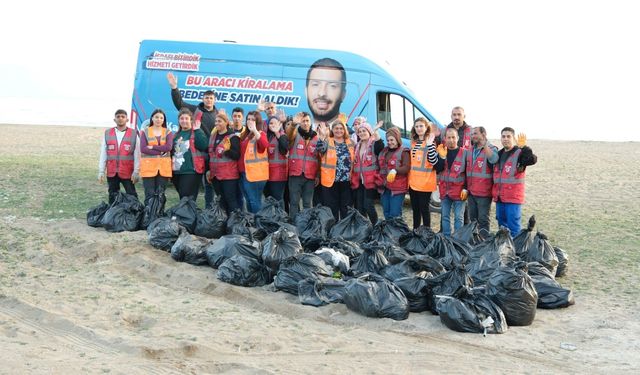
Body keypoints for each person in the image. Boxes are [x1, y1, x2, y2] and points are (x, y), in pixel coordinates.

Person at [167, 72, 218, 208]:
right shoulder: (196, 110)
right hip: (199, 154)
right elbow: (180, 103)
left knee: (211, 184)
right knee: (200, 186)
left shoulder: (219, 115)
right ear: (203, 98)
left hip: (213, 154)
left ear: (215, 100)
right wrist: (174, 88)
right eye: (206, 98)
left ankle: (210, 210)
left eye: (211, 98)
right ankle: (193, 211)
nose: (208, 100)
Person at [493, 127, 537, 236]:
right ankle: (504, 249)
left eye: (509, 136)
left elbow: (532, 160)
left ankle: (516, 250)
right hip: (500, 197)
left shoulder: (519, 153)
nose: (506, 139)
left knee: (513, 227)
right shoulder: (498, 154)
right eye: (503, 136)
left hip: (513, 198)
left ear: (513, 138)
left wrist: (524, 148)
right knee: (502, 226)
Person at [98, 109, 140, 204]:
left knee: (132, 195)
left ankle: (135, 215)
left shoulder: (133, 134)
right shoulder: (108, 133)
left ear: (127, 119)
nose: (120, 118)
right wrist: (101, 171)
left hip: (127, 172)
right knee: (112, 195)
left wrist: (136, 171)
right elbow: (103, 153)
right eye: (118, 117)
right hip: (112, 171)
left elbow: (137, 154)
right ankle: (113, 216)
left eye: (123, 117)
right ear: (114, 119)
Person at [408, 117, 442, 229]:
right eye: (416, 126)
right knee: (415, 210)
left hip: (425, 183)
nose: (419, 128)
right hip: (413, 183)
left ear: (426, 127)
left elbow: (434, 161)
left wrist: (429, 145)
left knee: (424, 210)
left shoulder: (430, 142)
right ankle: (415, 231)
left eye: (421, 126)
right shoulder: (413, 142)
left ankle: (427, 232)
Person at [317, 121, 354, 221]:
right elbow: (320, 149)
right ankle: (333, 229)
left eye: (341, 128)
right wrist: (321, 137)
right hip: (330, 181)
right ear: (332, 130)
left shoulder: (350, 142)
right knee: (332, 207)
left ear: (344, 130)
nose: (339, 130)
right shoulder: (327, 140)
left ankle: (343, 229)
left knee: (345, 207)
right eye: (336, 128)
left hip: (346, 181)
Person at [465, 126, 499, 237]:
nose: (473, 136)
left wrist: (485, 146)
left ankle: (483, 242)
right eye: (472, 134)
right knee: (473, 220)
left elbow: (494, 159)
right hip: (471, 192)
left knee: (483, 220)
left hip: (484, 193)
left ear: (483, 134)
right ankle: (474, 242)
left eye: (475, 134)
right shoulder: (470, 150)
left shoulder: (491, 148)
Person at [286, 111, 319, 219]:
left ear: (311, 122)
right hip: (295, 175)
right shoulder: (295, 134)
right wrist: (294, 124)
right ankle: (294, 225)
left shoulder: (316, 138)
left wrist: (318, 175)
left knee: (307, 204)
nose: (305, 123)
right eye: (303, 121)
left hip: (310, 176)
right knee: (294, 202)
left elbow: (319, 158)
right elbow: (288, 135)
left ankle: (306, 225)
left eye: (307, 121)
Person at [171, 108, 208, 202]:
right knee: (182, 197)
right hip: (177, 171)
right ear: (179, 120)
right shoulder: (175, 135)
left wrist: (197, 130)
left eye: (186, 118)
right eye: (181, 118)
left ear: (191, 120)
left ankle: (189, 215)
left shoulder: (195, 132)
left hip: (191, 171)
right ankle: (186, 215)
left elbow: (204, 145)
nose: (184, 121)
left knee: (186, 196)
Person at [139, 109, 174, 210]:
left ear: (164, 120)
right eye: (157, 117)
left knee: (160, 194)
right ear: (152, 118)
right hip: (148, 168)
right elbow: (143, 149)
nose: (159, 119)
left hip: (163, 169)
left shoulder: (168, 132)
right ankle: (148, 216)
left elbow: (168, 148)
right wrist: (160, 152)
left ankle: (159, 215)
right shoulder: (145, 131)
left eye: (161, 118)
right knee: (149, 194)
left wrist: (153, 147)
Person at [208, 112, 241, 215]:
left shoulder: (232, 137)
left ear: (226, 122)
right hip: (215, 175)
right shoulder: (213, 136)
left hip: (229, 175)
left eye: (220, 121)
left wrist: (227, 150)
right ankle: (223, 223)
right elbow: (210, 154)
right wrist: (208, 171)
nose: (217, 123)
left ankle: (235, 223)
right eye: (216, 121)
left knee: (230, 200)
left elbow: (237, 155)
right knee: (221, 200)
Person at [351, 121, 384, 224]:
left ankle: (375, 225)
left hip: (371, 181)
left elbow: (381, 146)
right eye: (359, 131)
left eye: (364, 131)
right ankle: (364, 228)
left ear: (369, 132)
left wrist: (376, 131)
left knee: (368, 205)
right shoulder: (357, 146)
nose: (361, 133)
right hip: (359, 181)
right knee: (360, 207)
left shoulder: (373, 144)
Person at [437, 128, 467, 236]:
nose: (451, 140)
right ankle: (446, 238)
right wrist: (442, 157)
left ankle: (458, 239)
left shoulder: (464, 153)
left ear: (458, 138)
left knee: (459, 217)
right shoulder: (442, 151)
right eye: (448, 137)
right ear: (445, 139)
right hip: (445, 191)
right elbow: (438, 169)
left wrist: (465, 188)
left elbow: (468, 173)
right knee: (445, 216)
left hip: (459, 192)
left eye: (453, 137)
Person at [376, 127, 410, 220]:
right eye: (388, 140)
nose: (389, 142)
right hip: (384, 187)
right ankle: (389, 233)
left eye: (392, 140)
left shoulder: (404, 151)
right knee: (386, 212)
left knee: (395, 214)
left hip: (398, 188)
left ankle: (397, 233)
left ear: (397, 139)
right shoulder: (384, 151)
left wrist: (395, 170)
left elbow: (406, 167)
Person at [238, 111, 269, 213]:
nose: (250, 121)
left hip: (255, 175)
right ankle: (252, 222)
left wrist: (255, 130)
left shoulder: (260, 133)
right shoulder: (245, 134)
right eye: (248, 119)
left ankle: (258, 224)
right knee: (249, 200)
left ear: (258, 122)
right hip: (243, 173)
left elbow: (264, 145)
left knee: (254, 201)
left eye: (253, 119)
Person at [305, 58, 346, 129]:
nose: (322, 93)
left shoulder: (352, 135)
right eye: (315, 84)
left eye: (332, 86)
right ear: (306, 91)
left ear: (343, 95)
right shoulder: (297, 132)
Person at [264, 116, 289, 205]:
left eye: (275, 123)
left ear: (279, 124)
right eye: (271, 123)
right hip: (266, 174)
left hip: (279, 174)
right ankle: (271, 218)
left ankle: (281, 218)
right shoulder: (266, 136)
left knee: (278, 199)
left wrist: (277, 133)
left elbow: (284, 150)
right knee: (269, 199)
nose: (273, 125)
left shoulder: (283, 136)